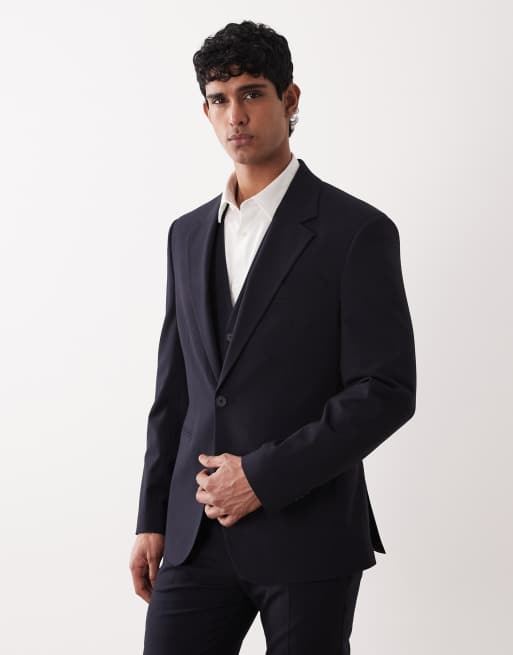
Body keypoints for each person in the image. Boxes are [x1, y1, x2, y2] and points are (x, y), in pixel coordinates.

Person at [129, 19, 416, 655]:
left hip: (308, 532)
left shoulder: (355, 231)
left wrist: (262, 476)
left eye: (253, 94)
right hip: (195, 536)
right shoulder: (186, 235)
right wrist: (152, 517)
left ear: (289, 99)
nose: (235, 115)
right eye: (219, 99)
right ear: (206, 110)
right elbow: (175, 392)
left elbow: (386, 390)